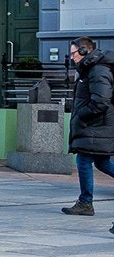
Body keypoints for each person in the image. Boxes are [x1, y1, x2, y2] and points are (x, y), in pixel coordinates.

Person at [62, 36, 114, 234]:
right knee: (101, 163)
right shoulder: (89, 68)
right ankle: (85, 202)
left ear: (85, 51)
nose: (72, 57)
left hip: (95, 126)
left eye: (74, 52)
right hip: (95, 127)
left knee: (83, 160)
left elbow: (101, 101)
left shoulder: (97, 70)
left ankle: (85, 202)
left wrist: (82, 116)